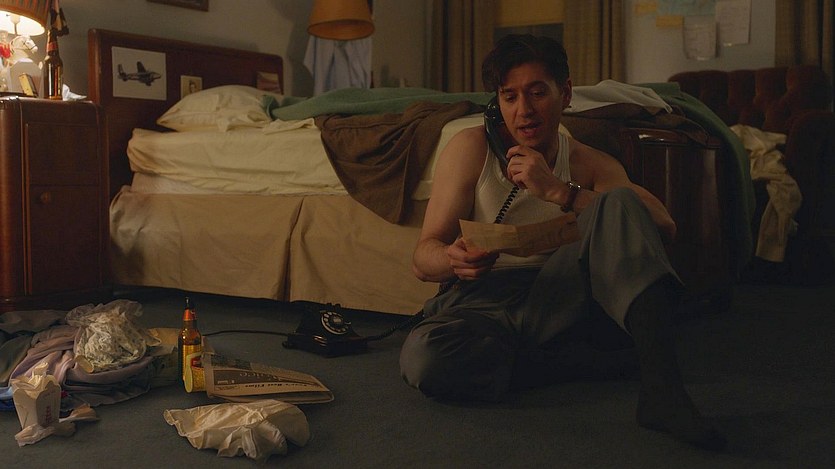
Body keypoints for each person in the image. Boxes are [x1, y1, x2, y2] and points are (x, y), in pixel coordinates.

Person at [399, 34, 726, 451]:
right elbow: (422, 257)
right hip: (484, 300)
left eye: (538, 93)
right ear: (497, 103)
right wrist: (452, 259)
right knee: (424, 358)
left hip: (559, 295)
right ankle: (575, 362)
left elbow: (663, 224)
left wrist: (560, 191)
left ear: (565, 93)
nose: (524, 110)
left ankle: (663, 392)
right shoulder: (471, 148)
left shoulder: (589, 161)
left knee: (618, 202)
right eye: (509, 96)